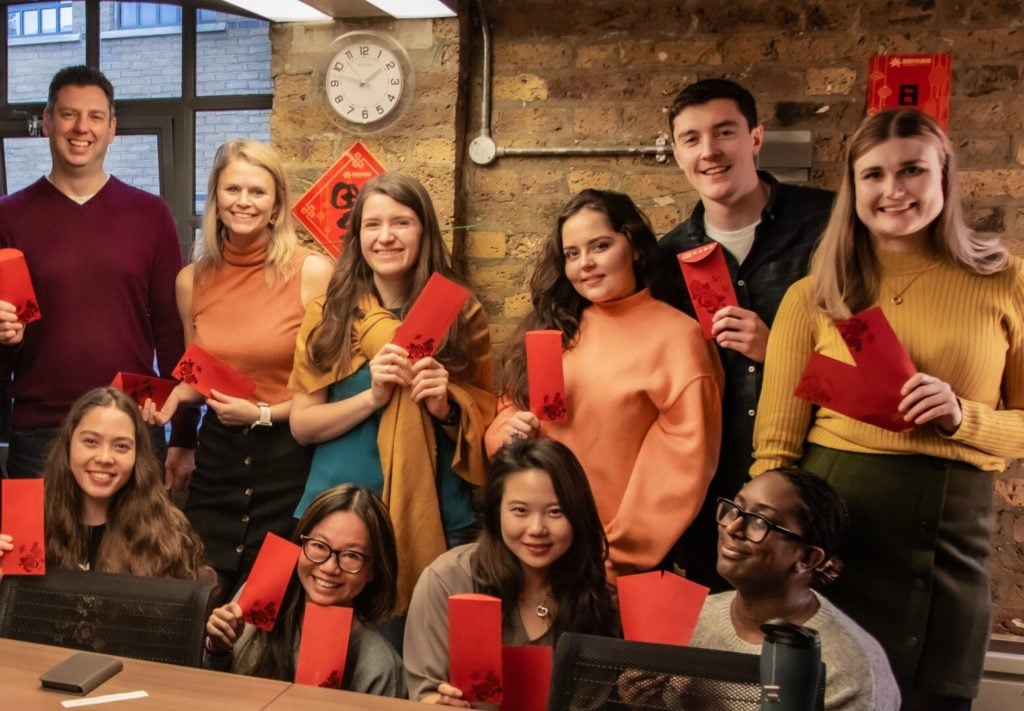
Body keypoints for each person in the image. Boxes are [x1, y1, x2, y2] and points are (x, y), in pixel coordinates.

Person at [753, 108, 1023, 710]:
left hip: (949, 539)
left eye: (912, 170)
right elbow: (774, 454)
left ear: (945, 177)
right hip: (833, 531)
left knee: (933, 697)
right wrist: (770, 555)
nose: (892, 190)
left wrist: (963, 417)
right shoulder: (814, 294)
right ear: (854, 189)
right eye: (872, 175)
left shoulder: (1007, 282)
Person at [652, 79, 834, 591]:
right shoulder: (666, 260)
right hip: (715, 498)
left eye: (724, 132)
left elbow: (871, 378)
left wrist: (779, 351)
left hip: (817, 480)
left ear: (755, 138)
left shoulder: (829, 226)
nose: (708, 151)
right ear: (676, 152)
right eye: (691, 139)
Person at [485, 189, 722, 578]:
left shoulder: (679, 338)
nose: (586, 264)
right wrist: (505, 432)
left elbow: (682, 467)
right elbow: (508, 409)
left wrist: (614, 556)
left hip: (608, 563)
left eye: (600, 246)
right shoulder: (556, 324)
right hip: (532, 544)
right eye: (572, 254)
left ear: (635, 247)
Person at [288, 172, 495, 611]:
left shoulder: (459, 312)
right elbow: (303, 425)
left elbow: (487, 417)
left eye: (401, 222)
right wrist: (372, 399)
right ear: (357, 235)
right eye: (372, 224)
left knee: (420, 656)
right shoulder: (329, 315)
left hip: (435, 514)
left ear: (424, 231)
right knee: (335, 656)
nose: (386, 237)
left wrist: (446, 408)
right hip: (337, 525)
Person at [145, 140, 332, 598]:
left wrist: (261, 414)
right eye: (232, 189)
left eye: (257, 191)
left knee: (268, 609)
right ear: (215, 198)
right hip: (219, 464)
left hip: (289, 464)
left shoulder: (313, 272)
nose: (243, 201)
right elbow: (198, 371)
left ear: (276, 205)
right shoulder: (191, 280)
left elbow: (325, 393)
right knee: (204, 603)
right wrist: (172, 405)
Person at [0, 65, 194, 483]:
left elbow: (171, 332)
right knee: (40, 551)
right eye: (68, 114)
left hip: (132, 422)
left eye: (95, 117)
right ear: (48, 122)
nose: (80, 128)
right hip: (39, 431)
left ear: (112, 129)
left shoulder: (150, 215)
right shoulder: (8, 217)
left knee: (135, 551)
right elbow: (6, 341)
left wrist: (184, 436)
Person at [619, 469, 900, 711]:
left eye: (760, 521)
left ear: (807, 559)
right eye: (735, 509)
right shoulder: (695, 619)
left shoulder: (849, 666)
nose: (733, 527)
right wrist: (652, 703)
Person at [404, 438, 619, 704]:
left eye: (555, 512)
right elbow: (423, 694)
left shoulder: (596, 594)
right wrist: (438, 702)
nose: (537, 528)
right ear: (497, 512)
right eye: (520, 510)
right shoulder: (448, 580)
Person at [204, 484, 406, 698]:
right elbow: (208, 694)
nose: (329, 568)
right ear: (301, 544)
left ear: (374, 570)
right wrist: (217, 649)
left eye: (351, 555)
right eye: (319, 546)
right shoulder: (258, 602)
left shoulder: (379, 666)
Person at [0, 387, 208, 579]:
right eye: (90, 442)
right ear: (68, 445)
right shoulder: (24, 522)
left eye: (121, 446)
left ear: (138, 456)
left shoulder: (167, 533)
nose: (104, 457)